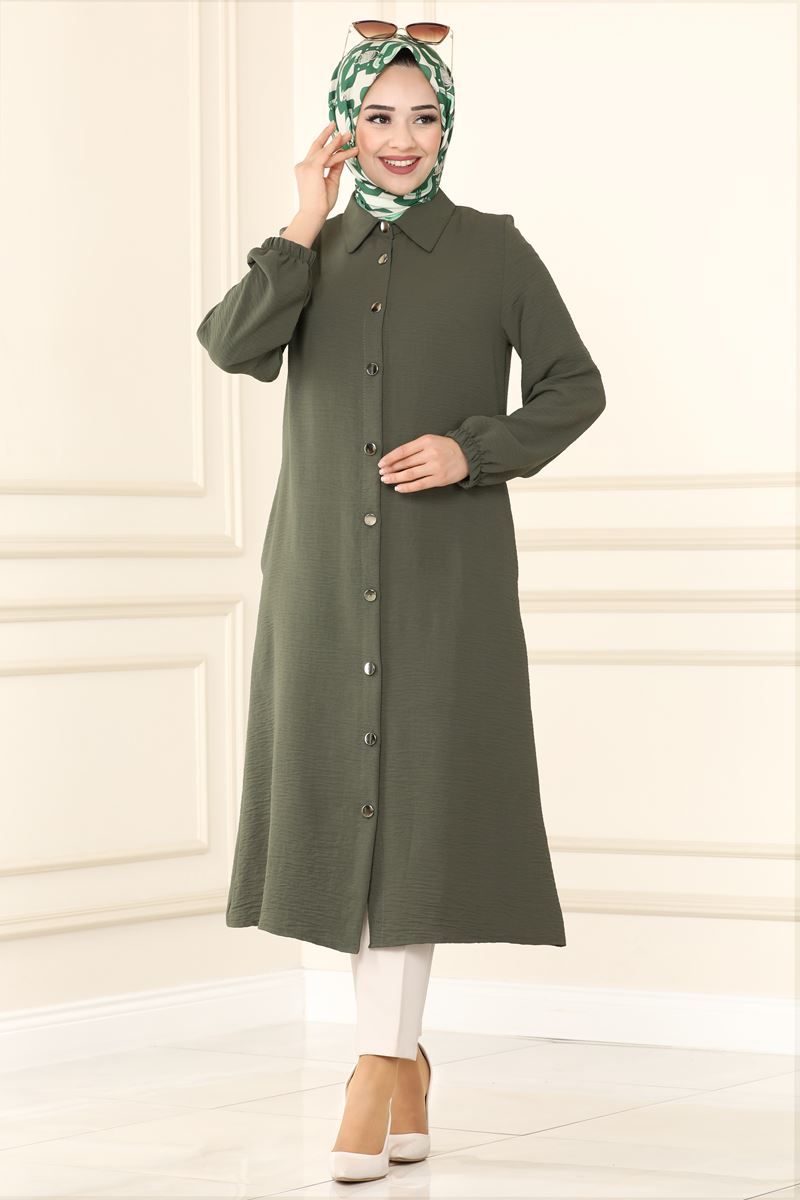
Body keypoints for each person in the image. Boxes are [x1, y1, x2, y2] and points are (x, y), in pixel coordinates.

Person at [196, 28, 606, 1185]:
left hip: (442, 583)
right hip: (324, 579)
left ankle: (376, 1068)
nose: (400, 139)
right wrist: (300, 215)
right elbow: (231, 346)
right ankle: (401, 1062)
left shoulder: (492, 249)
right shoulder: (308, 253)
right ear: (345, 126)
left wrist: (473, 450)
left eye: (421, 117)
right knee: (351, 815)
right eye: (376, 116)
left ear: (445, 128)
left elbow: (573, 385)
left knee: (412, 820)